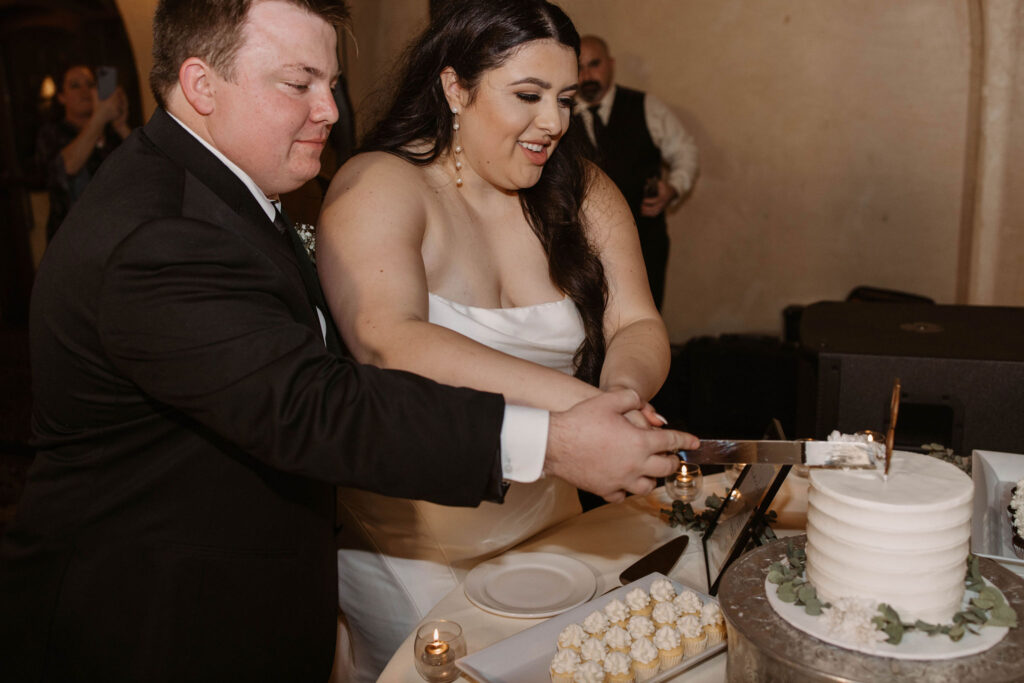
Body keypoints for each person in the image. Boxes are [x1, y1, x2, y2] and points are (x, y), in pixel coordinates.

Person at [0, 1, 697, 682]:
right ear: (199, 85)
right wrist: (556, 440)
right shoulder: (159, 232)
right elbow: (315, 404)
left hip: (255, 588)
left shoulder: (228, 197)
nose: (331, 109)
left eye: (329, 84)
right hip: (151, 619)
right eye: (298, 84)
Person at [316, 1, 675, 678]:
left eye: (566, 99)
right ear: (456, 87)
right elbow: (388, 339)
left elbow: (637, 323)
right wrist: (576, 407)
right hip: (413, 548)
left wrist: (621, 395)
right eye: (529, 96)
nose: (555, 123)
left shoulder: (583, 188)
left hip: (560, 527)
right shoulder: (382, 185)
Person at [574, 35, 699, 310]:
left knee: (645, 321)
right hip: (582, 249)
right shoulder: (560, 114)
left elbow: (686, 151)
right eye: (579, 67)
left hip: (645, 243)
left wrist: (673, 188)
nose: (587, 76)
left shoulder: (645, 107)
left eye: (594, 65)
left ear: (610, 64)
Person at [34, 64, 131, 241]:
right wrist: (99, 117)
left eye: (90, 84)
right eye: (75, 85)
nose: (85, 90)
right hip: (75, 241)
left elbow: (149, 169)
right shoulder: (52, 133)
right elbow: (65, 169)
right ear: (61, 97)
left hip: (118, 236)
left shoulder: (111, 133)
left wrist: (121, 126)